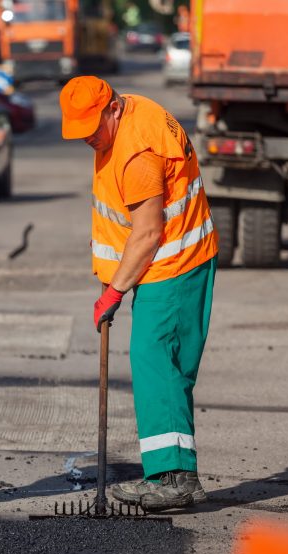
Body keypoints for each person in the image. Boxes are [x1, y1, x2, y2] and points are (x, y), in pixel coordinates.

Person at [59, 76, 219, 512]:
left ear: (113, 108)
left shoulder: (137, 155)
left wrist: (114, 290)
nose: (89, 138)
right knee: (168, 369)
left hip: (171, 267)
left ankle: (173, 479)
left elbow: (147, 233)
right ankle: (176, 473)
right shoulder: (135, 112)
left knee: (154, 363)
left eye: (94, 127)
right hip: (176, 263)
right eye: (80, 131)